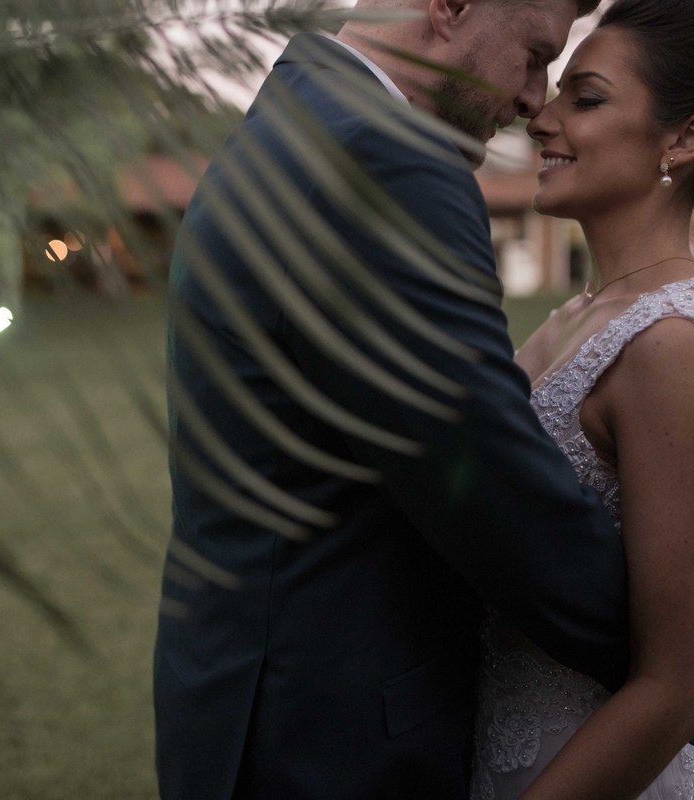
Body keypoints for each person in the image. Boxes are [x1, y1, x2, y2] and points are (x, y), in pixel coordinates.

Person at [154, 2, 634, 798]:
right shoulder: (387, 160)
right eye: (534, 54)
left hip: (242, 696)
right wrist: (670, 661)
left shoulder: (298, 118)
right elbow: (489, 484)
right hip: (328, 741)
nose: (533, 97)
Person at [471, 1, 694, 797]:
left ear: (684, 138)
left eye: (586, 98)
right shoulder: (574, 315)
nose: (541, 118)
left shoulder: (681, 341)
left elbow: (685, 683)